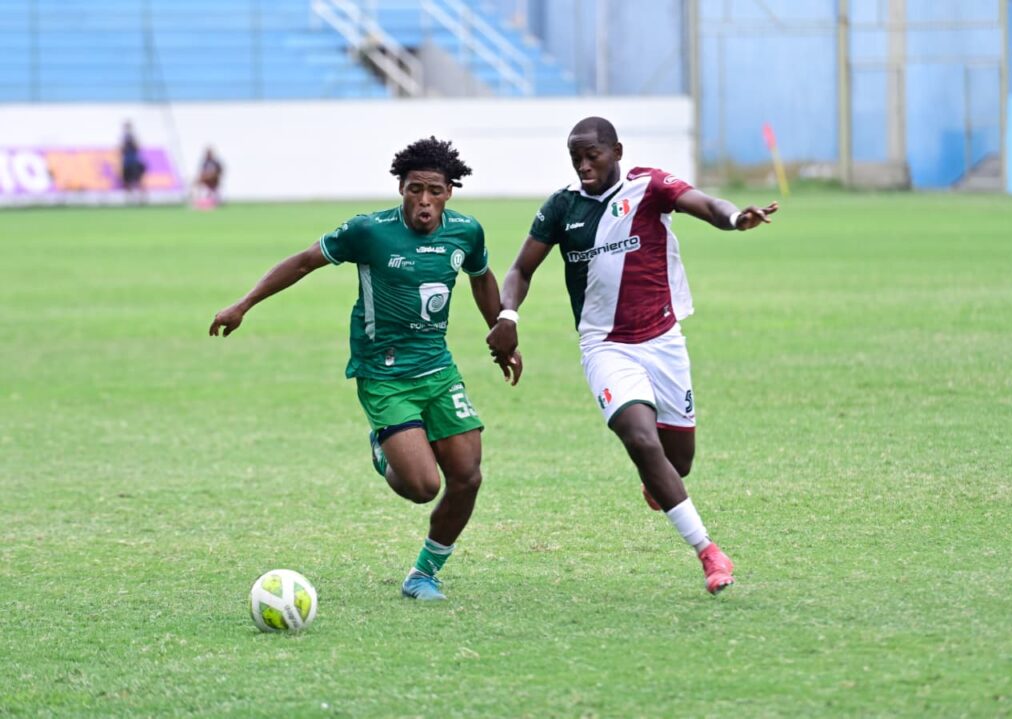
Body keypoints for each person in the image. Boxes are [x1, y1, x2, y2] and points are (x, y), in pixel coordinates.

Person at [210, 137, 522, 601]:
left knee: (467, 476)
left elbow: (480, 276)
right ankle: (383, 448)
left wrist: (500, 329)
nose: (424, 200)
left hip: (437, 368)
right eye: (415, 189)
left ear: (449, 192)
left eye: (434, 190)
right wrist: (244, 304)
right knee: (421, 486)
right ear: (401, 187)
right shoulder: (369, 231)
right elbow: (302, 262)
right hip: (384, 372)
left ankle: (423, 574)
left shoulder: (466, 232)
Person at [487, 116, 778, 595]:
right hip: (605, 346)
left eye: (592, 156)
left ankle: (660, 481)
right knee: (640, 439)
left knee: (676, 461)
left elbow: (704, 203)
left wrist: (733, 218)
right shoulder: (562, 207)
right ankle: (708, 552)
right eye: (575, 158)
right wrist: (509, 316)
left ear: (616, 150)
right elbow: (521, 267)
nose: (583, 166)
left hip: (663, 342)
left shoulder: (651, 186)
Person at [119, 121, 146, 198]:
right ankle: (130, 197)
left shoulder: (134, 137)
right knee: (127, 181)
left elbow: (137, 147)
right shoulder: (123, 138)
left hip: (134, 162)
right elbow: (121, 150)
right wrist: (125, 145)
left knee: (138, 180)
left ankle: (142, 198)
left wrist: (132, 142)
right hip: (126, 162)